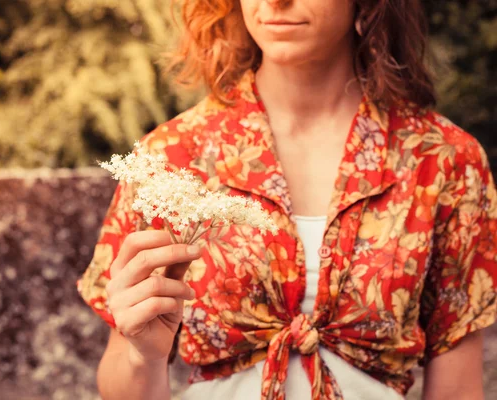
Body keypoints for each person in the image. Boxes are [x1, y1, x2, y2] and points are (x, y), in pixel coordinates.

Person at [77, 0, 497, 399]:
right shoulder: (170, 159)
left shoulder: (442, 160)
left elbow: (457, 390)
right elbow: (123, 382)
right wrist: (142, 356)